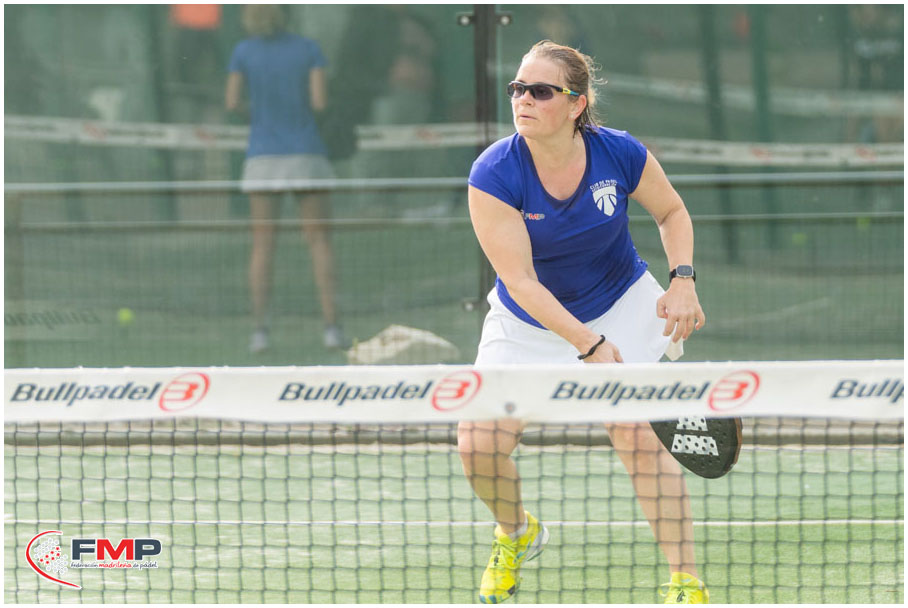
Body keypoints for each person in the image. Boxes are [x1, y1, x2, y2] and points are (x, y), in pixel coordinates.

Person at [458, 41, 708, 604]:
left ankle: (686, 581)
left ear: (576, 103)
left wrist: (683, 279)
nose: (523, 100)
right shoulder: (494, 171)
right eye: (517, 88)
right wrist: (588, 344)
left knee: (635, 433)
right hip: (529, 322)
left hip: (620, 302)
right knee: (477, 446)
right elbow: (521, 281)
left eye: (540, 91)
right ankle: (516, 533)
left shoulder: (618, 152)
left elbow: (671, 211)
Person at [225, 5, 348, 353]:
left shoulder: (242, 52)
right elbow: (319, 102)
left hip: (262, 157)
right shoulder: (308, 49)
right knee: (320, 243)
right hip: (306, 154)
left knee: (263, 245)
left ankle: (260, 333)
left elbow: (232, 102)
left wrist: (261, 116)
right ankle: (331, 329)